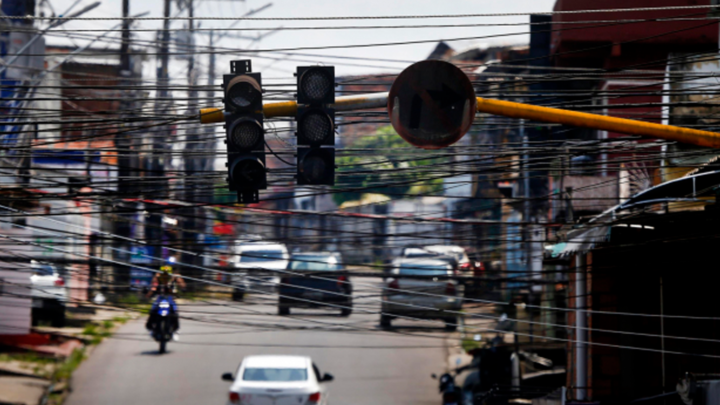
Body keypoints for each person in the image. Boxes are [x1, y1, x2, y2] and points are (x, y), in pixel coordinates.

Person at [145, 265, 186, 338]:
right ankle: (150, 327)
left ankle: (175, 329)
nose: (165, 277)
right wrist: (149, 294)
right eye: (163, 274)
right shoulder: (157, 277)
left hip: (170, 298)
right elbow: (154, 286)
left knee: (174, 311)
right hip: (160, 297)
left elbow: (182, 284)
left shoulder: (175, 277)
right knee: (153, 310)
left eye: (167, 275)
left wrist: (181, 285)